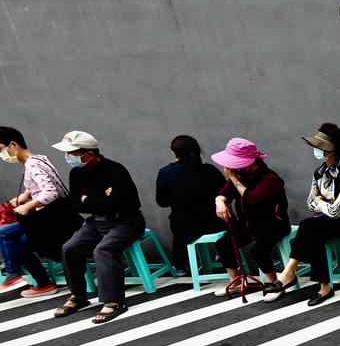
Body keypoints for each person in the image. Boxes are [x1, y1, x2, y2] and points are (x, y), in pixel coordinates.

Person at [263, 124, 340, 306]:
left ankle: (291, 275)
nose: (315, 150)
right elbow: (309, 203)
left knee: (310, 227)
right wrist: (324, 204)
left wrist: (321, 202)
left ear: (330, 151)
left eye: (319, 147)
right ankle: (320, 286)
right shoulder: (320, 173)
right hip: (328, 221)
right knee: (312, 229)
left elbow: (336, 210)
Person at [53, 131, 145, 323]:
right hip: (97, 221)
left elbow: (125, 203)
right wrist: (102, 199)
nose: (68, 157)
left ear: (88, 153)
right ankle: (78, 295)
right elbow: (75, 205)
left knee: (103, 250)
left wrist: (89, 199)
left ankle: (114, 301)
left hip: (126, 221)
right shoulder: (76, 173)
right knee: (70, 248)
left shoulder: (115, 170)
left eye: (73, 153)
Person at [0, 126, 80, 297]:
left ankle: (14, 274)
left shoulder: (31, 165)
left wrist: (27, 206)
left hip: (54, 219)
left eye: (1, 149)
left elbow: (51, 192)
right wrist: (25, 196)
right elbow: (42, 184)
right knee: (19, 243)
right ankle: (42, 284)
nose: (2, 155)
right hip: (57, 215)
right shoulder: (39, 159)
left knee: (4, 233)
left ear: (13, 144)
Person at [210, 137, 289, 297]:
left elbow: (251, 199)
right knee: (224, 243)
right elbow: (224, 193)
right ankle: (236, 282)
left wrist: (233, 178)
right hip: (249, 224)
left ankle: (276, 284)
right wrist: (219, 201)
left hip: (273, 223)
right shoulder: (240, 174)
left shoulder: (270, 178)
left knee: (258, 252)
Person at [155, 135, 225, 273]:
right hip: (216, 224)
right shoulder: (209, 170)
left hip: (185, 227)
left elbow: (162, 202)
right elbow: (226, 193)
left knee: (178, 224)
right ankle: (224, 252)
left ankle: (180, 265)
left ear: (174, 152)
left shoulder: (166, 173)